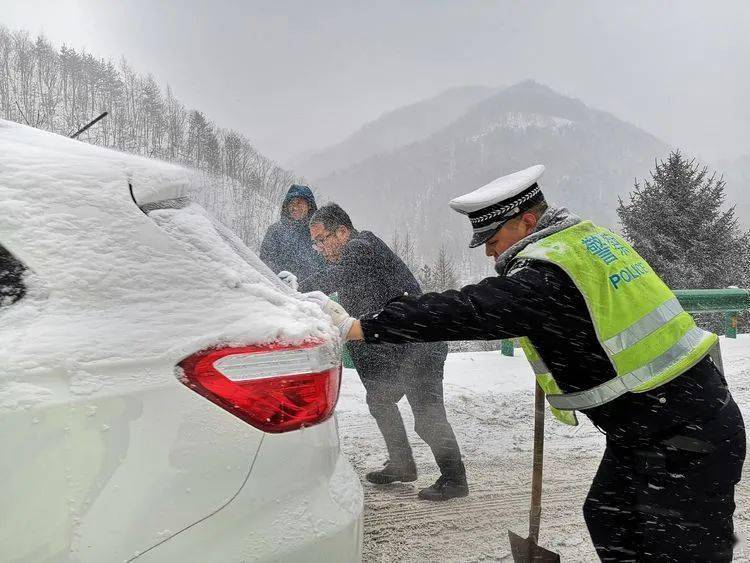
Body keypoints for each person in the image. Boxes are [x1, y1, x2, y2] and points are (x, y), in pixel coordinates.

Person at [328, 165, 746, 560]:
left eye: (493, 238)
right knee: (609, 515)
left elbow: (469, 309)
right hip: (657, 422)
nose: (490, 251)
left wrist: (364, 327)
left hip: (684, 436)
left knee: (677, 549)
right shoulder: (582, 242)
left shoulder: (547, 271)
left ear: (527, 221)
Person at [290, 203, 468, 501]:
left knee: (427, 417)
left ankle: (454, 478)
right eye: (315, 242)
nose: (319, 248)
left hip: (420, 345)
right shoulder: (355, 257)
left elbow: (333, 278)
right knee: (380, 400)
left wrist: (297, 289)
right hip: (395, 347)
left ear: (342, 232)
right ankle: (401, 463)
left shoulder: (361, 247)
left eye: (322, 239)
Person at [259, 184, 325, 279]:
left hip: (315, 292)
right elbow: (266, 262)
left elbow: (328, 263)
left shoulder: (320, 233)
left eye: (299, 203)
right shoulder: (275, 231)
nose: (294, 207)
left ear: (309, 206)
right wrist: (284, 281)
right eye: (292, 203)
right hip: (283, 290)